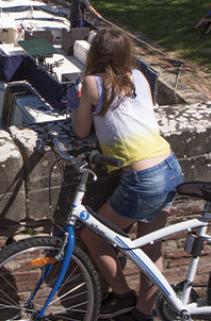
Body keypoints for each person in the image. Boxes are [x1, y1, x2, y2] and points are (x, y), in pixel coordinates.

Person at [68, 29, 183, 321]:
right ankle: (143, 314)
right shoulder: (140, 78)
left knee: (91, 235)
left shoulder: (92, 84)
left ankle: (122, 296)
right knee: (150, 248)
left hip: (143, 178)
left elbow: (80, 131)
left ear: (95, 54)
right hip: (169, 165)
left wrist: (75, 107)